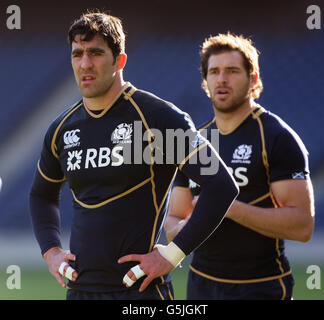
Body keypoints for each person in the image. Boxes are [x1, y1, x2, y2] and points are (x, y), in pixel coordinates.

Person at [29, 12, 239, 300]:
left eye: (96, 53)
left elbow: (222, 185)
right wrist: (51, 251)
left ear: (120, 60)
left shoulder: (157, 118)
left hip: (139, 292)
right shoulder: (62, 129)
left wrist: (172, 255)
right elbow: (41, 194)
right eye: (77, 54)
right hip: (80, 291)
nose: (85, 63)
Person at [165, 33, 315, 300]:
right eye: (214, 72)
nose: (222, 79)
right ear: (205, 82)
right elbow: (174, 219)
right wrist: (194, 222)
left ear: (253, 78)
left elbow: (302, 226)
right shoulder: (193, 143)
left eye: (232, 71)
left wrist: (229, 208)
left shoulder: (277, 138)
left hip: (262, 286)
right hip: (201, 286)